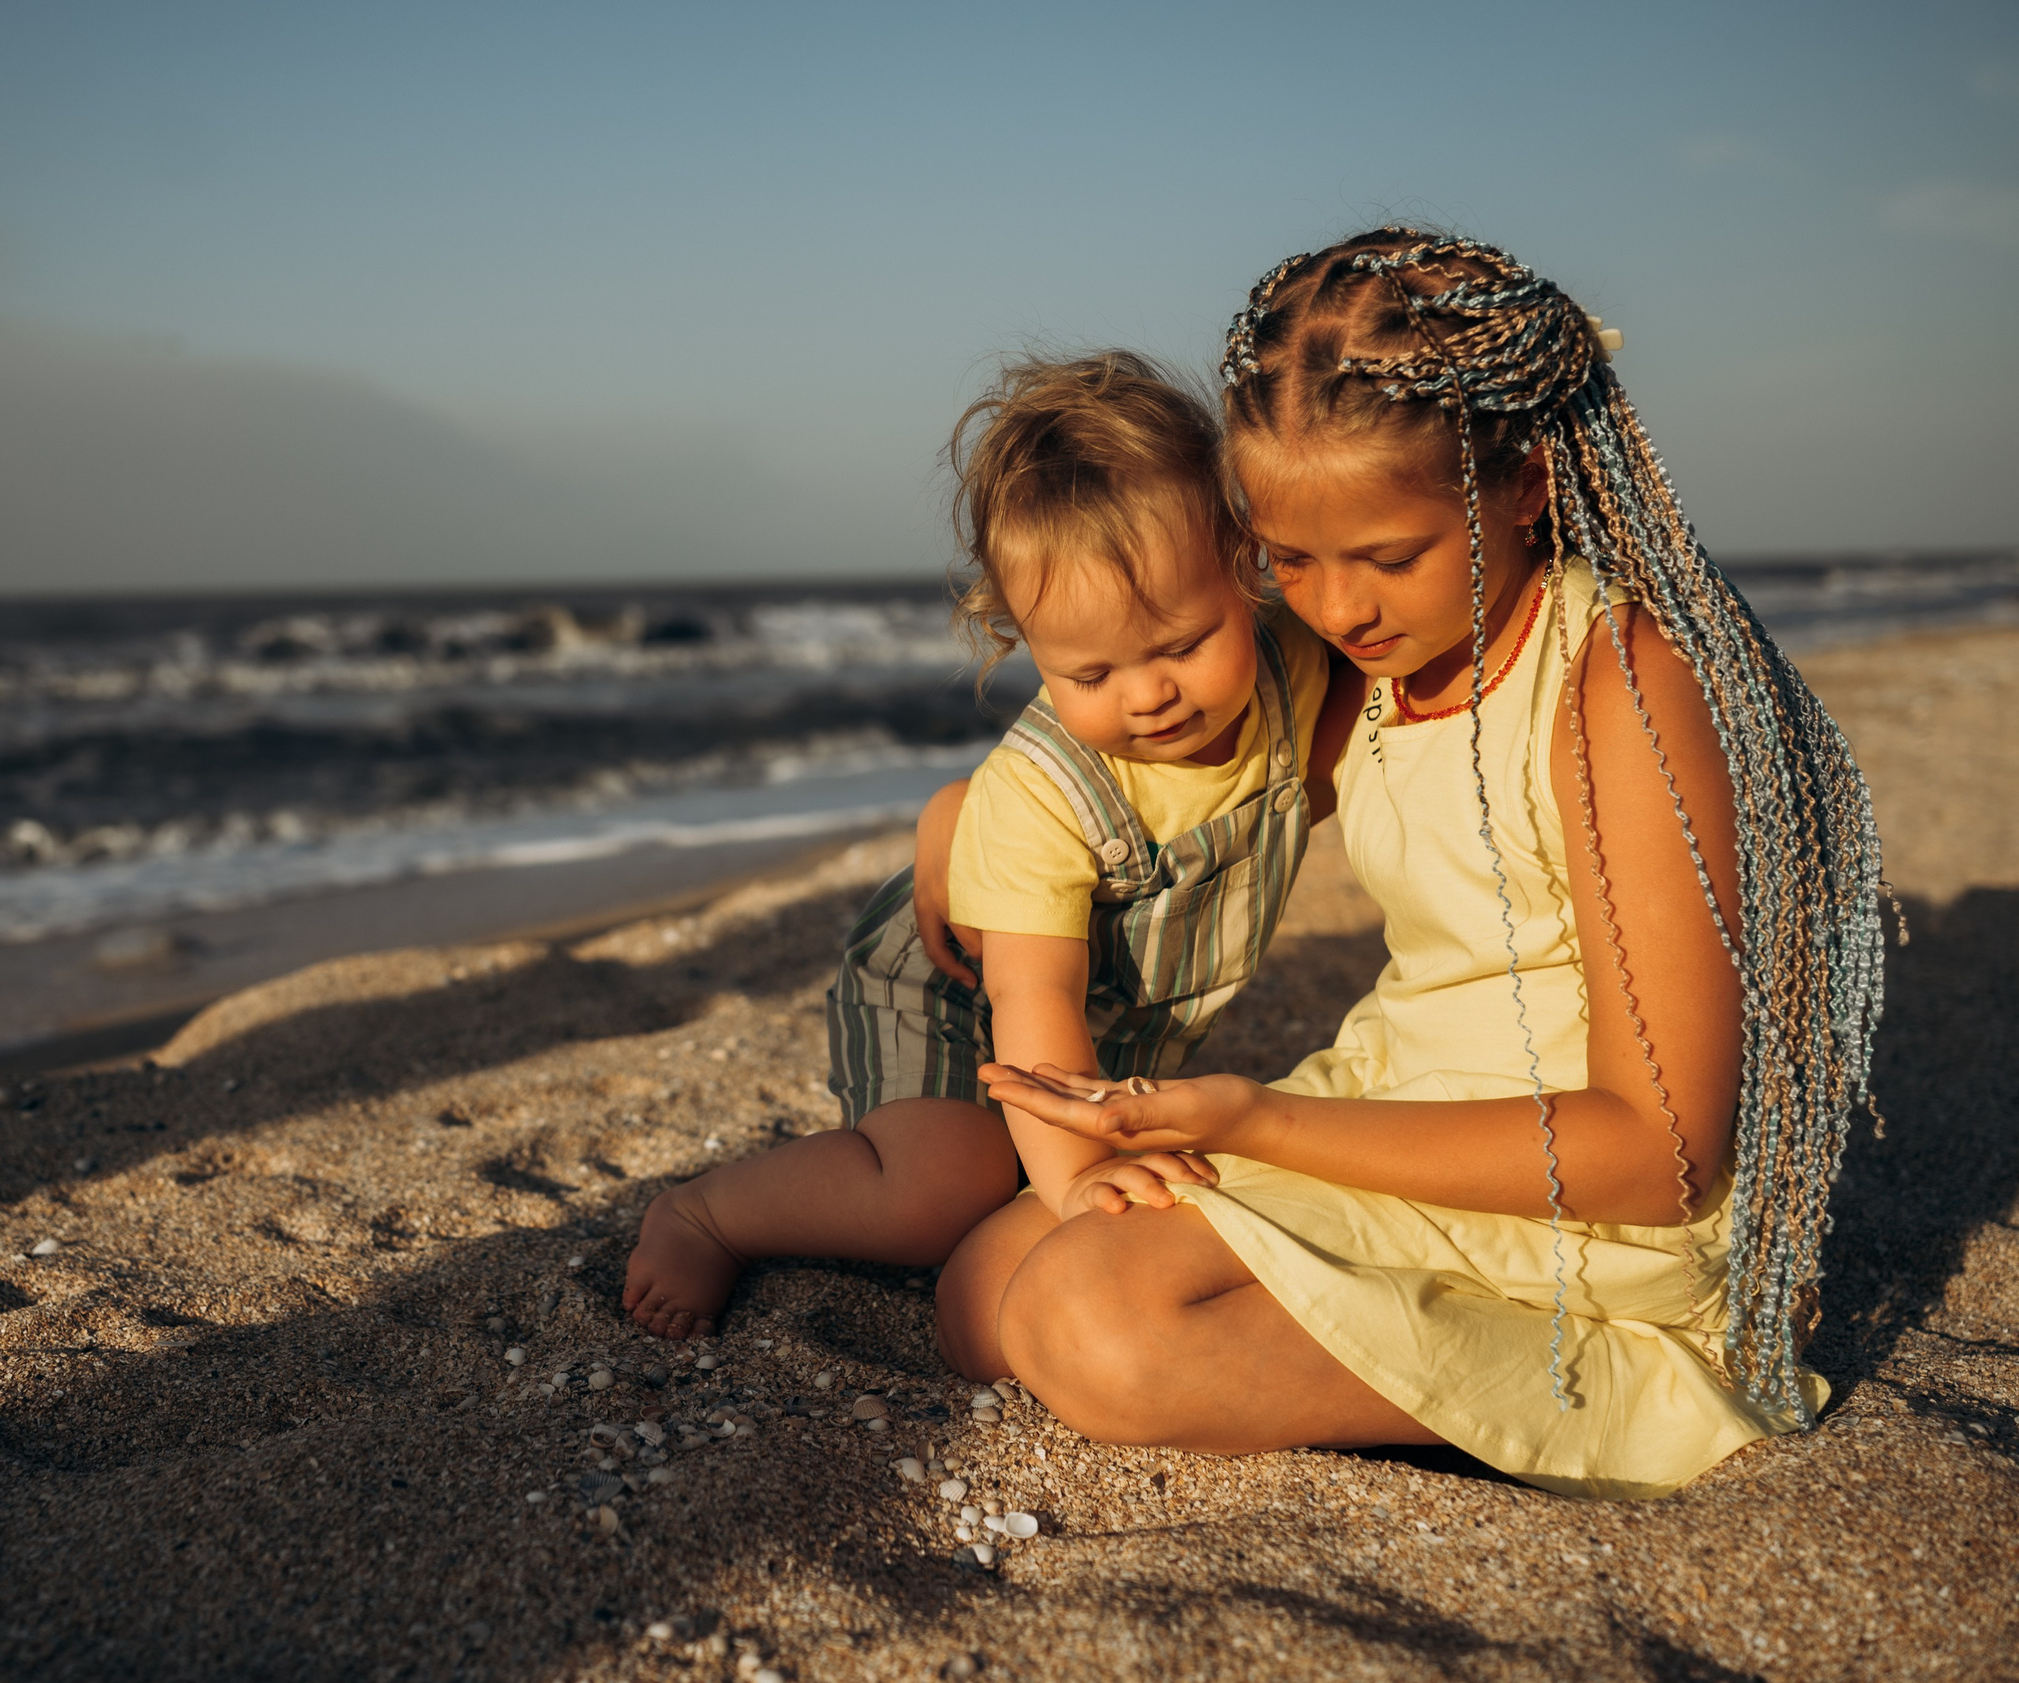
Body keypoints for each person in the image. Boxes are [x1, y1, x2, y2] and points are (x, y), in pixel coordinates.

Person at [919, 229, 1886, 1499]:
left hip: (1587, 1205)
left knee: (1095, 1323)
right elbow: (1163, 794)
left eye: (1386, 558)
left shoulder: (1618, 682)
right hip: (1392, 1102)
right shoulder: (1371, 669)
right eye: (1291, 559)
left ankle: (1617, 1382)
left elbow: (1661, 1154)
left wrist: (1259, 1121)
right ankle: (1398, 1342)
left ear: (1525, 484)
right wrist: (968, 817)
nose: (1336, 609)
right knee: (983, 1288)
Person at [620, 352, 1344, 1340]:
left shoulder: (1294, 663)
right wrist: (1081, 1177)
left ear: (1247, 566)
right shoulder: (1039, 799)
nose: (1147, 692)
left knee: (1041, 1160)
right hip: (959, 989)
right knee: (936, 1194)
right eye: (1089, 670)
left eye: (1179, 643)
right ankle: (705, 1211)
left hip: (1104, 1021)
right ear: (1026, 643)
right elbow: (1033, 999)